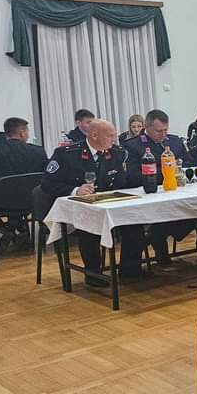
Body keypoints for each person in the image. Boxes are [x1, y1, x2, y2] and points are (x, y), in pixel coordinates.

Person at [39, 119, 144, 282]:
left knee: (134, 222)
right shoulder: (66, 154)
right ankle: (93, 273)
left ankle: (130, 269)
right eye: (110, 136)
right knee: (89, 229)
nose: (114, 139)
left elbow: (122, 181)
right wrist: (76, 190)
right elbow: (47, 183)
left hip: (108, 204)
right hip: (79, 207)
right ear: (94, 135)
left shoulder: (117, 153)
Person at [122, 109, 194, 265]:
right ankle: (156, 239)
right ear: (147, 127)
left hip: (177, 191)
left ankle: (159, 234)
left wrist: (175, 169)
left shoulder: (175, 141)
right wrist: (167, 171)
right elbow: (133, 175)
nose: (163, 134)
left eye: (165, 130)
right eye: (158, 131)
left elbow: (189, 163)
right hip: (149, 194)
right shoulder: (133, 145)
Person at [0, 117, 48, 246]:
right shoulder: (38, 151)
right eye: (27, 132)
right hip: (31, 201)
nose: (28, 135)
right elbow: (47, 174)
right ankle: (18, 229)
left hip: (0, 202)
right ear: (22, 133)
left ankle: (5, 230)